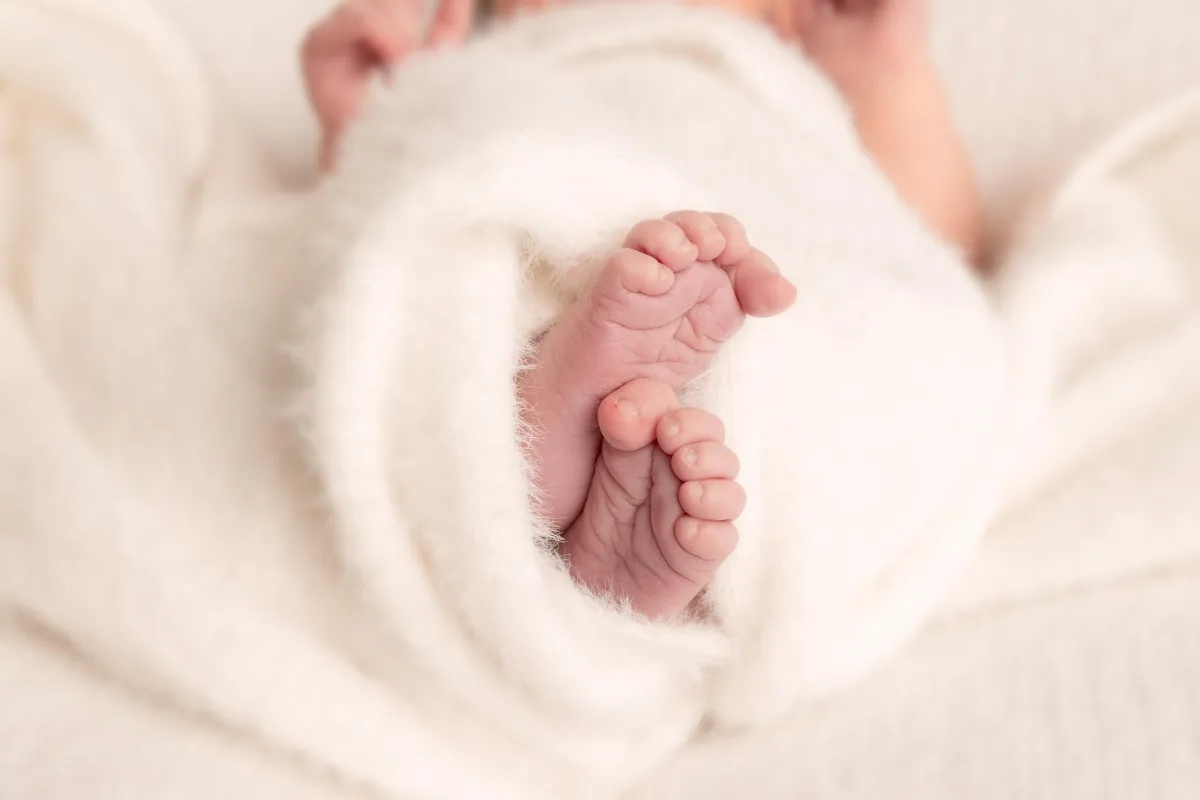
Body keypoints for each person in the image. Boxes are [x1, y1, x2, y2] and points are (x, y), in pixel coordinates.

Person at [299, 0, 981, 621]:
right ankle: (544, 438)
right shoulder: (499, 71)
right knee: (466, 233)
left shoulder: (788, 81)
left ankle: (606, 502)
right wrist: (379, 115)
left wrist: (886, 70)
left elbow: (919, 241)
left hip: (777, 262)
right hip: (561, 195)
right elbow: (385, 235)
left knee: (914, 342)